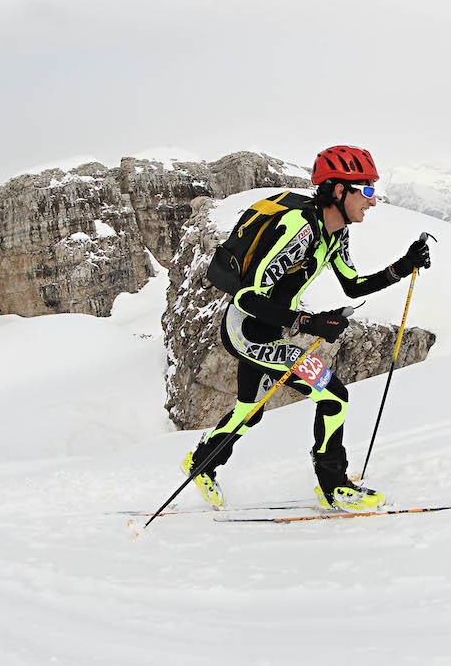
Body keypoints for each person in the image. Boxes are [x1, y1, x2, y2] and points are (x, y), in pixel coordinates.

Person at [183, 145, 431, 511]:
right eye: (364, 190)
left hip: (269, 329)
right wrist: (307, 322)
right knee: (333, 396)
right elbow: (248, 298)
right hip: (247, 332)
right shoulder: (298, 229)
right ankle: (333, 487)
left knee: (249, 411)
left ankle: (200, 464)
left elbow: (353, 285)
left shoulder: (335, 233)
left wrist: (402, 266)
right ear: (337, 190)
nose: (373, 200)